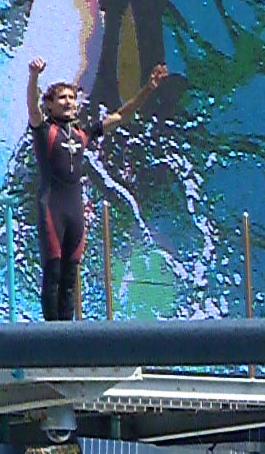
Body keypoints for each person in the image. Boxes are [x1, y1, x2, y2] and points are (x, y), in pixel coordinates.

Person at [24, 57, 167, 321]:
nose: (68, 101)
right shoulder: (44, 130)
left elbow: (122, 116)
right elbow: (33, 108)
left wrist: (148, 88)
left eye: (71, 97)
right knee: (53, 272)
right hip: (52, 208)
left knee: (70, 276)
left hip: (75, 211)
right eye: (62, 98)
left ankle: (67, 333)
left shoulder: (82, 134)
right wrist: (34, 76)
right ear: (50, 104)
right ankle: (50, 334)